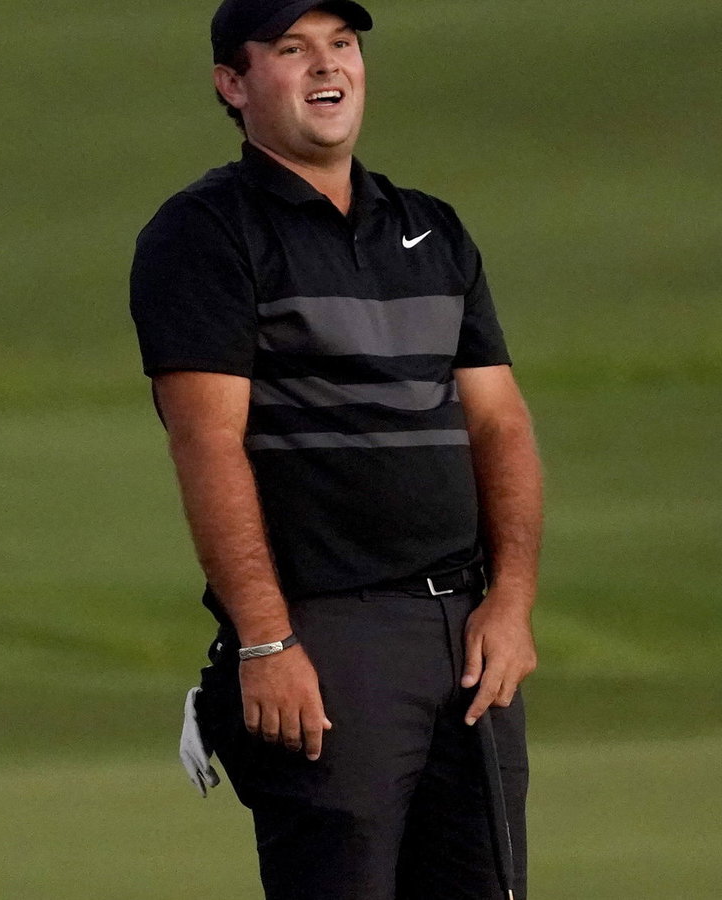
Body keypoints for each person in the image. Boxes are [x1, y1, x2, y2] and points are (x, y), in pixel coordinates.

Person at [129, 1, 542, 896]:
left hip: (465, 634)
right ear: (232, 86)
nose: (329, 66)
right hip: (327, 635)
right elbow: (207, 444)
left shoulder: (432, 229)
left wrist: (511, 600)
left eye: (342, 45)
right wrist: (265, 643)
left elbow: (499, 424)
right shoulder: (205, 233)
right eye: (292, 49)